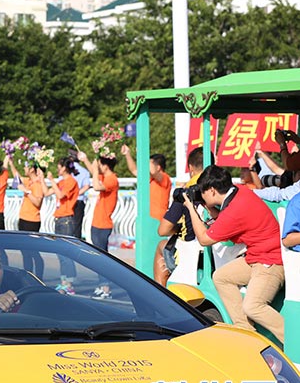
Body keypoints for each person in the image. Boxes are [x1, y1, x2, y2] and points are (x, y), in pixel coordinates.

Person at [183, 165, 284, 343]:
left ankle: (293, 341)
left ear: (212, 190)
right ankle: (245, 329)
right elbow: (222, 219)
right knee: (221, 277)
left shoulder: (235, 210)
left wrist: (191, 208)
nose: (201, 195)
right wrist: (207, 207)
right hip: (256, 256)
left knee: (253, 306)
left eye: (202, 191)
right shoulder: (239, 191)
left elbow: (204, 239)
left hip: (272, 261)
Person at [154, 147, 205, 286]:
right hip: (218, 253)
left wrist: (177, 228)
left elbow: (162, 231)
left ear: (190, 168)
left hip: (191, 252)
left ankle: (161, 295)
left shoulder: (185, 193)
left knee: (161, 246)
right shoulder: (222, 189)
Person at [7, 158, 46, 278]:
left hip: (32, 221)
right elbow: (16, 177)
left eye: (25, 166)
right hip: (23, 219)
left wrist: (27, 191)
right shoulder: (29, 181)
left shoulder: (38, 185)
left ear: (32, 169)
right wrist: (11, 163)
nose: (24, 169)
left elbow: (37, 203)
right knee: (24, 251)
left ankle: (39, 276)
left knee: (33, 251)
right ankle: (27, 275)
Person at [77, 150, 119, 253]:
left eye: (99, 165)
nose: (98, 167)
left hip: (103, 224)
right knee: (97, 252)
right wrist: (85, 159)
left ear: (105, 166)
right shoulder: (105, 177)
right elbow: (93, 172)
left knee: (102, 255)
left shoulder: (112, 179)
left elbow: (96, 186)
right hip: (97, 222)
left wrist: (95, 171)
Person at [121, 145, 171, 223]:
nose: (146, 166)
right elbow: (134, 170)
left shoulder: (165, 178)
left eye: (149, 164)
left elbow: (153, 172)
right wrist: (127, 154)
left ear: (158, 167)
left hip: (159, 220)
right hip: (148, 219)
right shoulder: (151, 178)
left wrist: (142, 155)